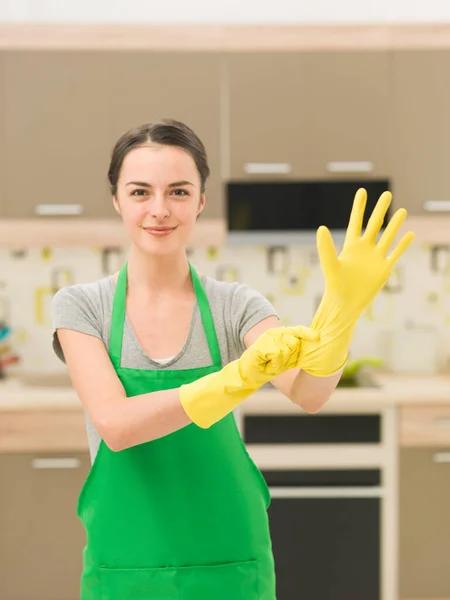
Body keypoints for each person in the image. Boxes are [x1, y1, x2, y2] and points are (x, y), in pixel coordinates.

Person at [51, 119, 414, 600]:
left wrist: (343, 313)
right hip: (125, 567)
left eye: (179, 192)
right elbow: (117, 426)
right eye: (140, 192)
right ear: (117, 199)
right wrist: (236, 377)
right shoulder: (81, 307)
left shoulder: (234, 306)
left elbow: (309, 392)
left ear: (201, 201)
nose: (159, 210)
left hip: (230, 565)